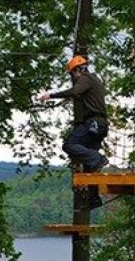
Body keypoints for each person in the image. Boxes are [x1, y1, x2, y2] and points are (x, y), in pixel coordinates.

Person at [36, 55, 109, 210]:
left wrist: (50, 96)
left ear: (77, 70)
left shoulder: (85, 78)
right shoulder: (94, 80)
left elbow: (76, 91)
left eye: (72, 74)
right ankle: (94, 199)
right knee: (90, 166)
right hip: (100, 125)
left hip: (94, 123)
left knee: (69, 145)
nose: (73, 78)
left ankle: (98, 158)